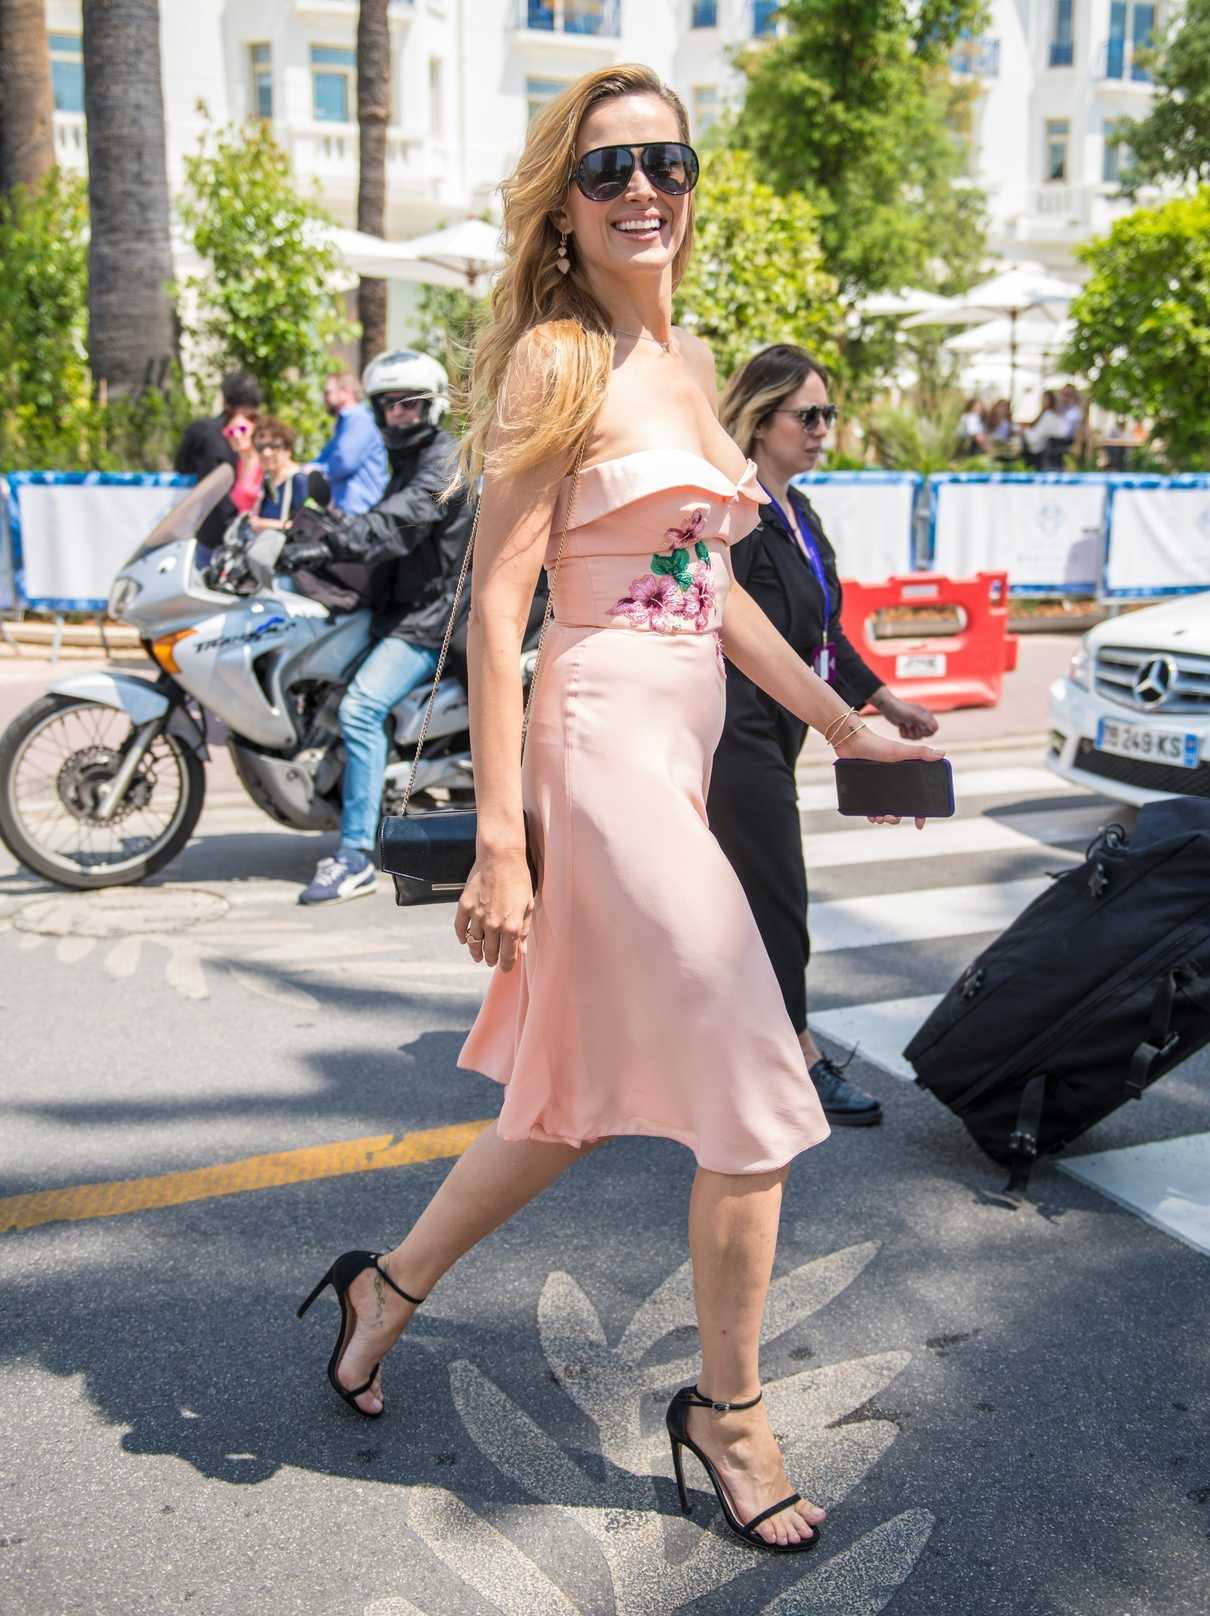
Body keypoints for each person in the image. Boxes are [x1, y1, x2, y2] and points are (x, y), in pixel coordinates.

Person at [295, 65, 940, 1555]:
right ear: (564, 209)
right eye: (607, 171)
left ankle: (382, 1288)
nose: (642, 188)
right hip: (592, 745)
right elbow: (497, 610)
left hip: (679, 744)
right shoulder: (556, 362)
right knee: (757, 1082)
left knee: (570, 1103)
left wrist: (852, 722)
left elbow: (706, 598)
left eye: (665, 160)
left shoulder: (694, 356)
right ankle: (727, 1407)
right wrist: (503, 847)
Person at [710, 344, 939, 1128]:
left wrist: (885, 700)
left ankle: (706, 1044)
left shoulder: (799, 511)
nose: (822, 430)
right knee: (777, 895)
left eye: (828, 415)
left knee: (730, 900)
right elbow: (731, 625)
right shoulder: (732, 512)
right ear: (757, 417)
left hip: (781, 727)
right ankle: (797, 1055)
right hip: (729, 729)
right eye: (806, 415)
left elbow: (824, 634)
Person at [281, 350, 473, 906]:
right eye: (387, 406)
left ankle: (355, 857)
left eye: (409, 404)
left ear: (433, 406)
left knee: (360, 709)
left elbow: (402, 520)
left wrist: (330, 544)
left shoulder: (444, 459)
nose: (398, 416)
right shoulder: (408, 458)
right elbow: (378, 515)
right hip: (400, 606)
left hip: (430, 618)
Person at [173, 370, 263, 550]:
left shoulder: (201, 431)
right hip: (247, 531)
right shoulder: (265, 434)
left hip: (208, 526)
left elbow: (182, 467)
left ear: (225, 400)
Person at [315, 371, 389, 514]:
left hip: (360, 513)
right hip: (347, 512)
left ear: (345, 392)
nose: (324, 398)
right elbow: (326, 457)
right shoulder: (345, 423)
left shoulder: (358, 419)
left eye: (327, 392)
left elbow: (344, 462)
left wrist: (316, 470)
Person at [250, 418, 310, 529]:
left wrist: (263, 524)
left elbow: (307, 526)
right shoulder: (268, 480)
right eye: (260, 448)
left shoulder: (299, 480)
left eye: (274, 446)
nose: (266, 453)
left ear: (288, 449)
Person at [1022, 390, 1069, 469]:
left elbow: (1033, 439)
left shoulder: (1048, 416)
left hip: (1044, 458)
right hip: (1052, 459)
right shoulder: (1055, 416)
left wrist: (1024, 431)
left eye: (1044, 399)